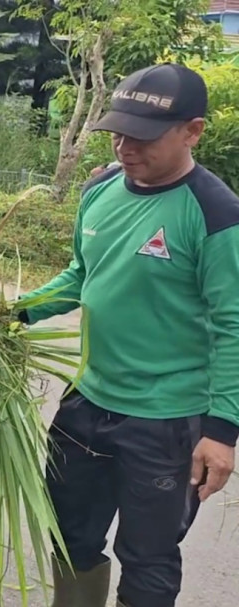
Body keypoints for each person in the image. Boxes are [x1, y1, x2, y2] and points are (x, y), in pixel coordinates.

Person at [19, 64, 237, 607]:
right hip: (87, 401)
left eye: (142, 136)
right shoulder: (100, 190)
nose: (125, 147)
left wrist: (223, 432)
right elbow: (81, 275)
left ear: (192, 131)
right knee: (69, 536)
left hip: (166, 422)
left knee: (149, 559)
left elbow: (234, 325)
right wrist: (12, 314)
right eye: (118, 132)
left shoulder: (215, 214)